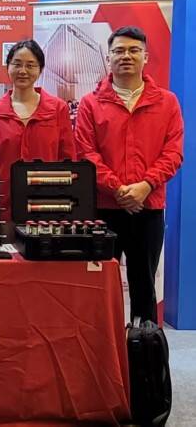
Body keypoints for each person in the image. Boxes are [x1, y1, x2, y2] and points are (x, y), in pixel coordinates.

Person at [75, 26, 183, 323]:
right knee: (98, 286)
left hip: (148, 208)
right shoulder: (90, 103)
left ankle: (143, 346)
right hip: (103, 209)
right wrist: (119, 189)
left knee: (144, 285)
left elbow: (173, 153)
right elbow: (86, 154)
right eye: (119, 51)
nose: (126, 56)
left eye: (134, 50)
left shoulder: (167, 102)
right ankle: (101, 347)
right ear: (108, 57)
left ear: (145, 57)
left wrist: (145, 186)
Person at [0, 39, 76, 229]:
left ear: (40, 69)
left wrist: (67, 206)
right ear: (8, 67)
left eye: (30, 65)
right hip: (5, 210)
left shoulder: (58, 109)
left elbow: (68, 160)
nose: (23, 71)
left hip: (49, 209)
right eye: (17, 64)